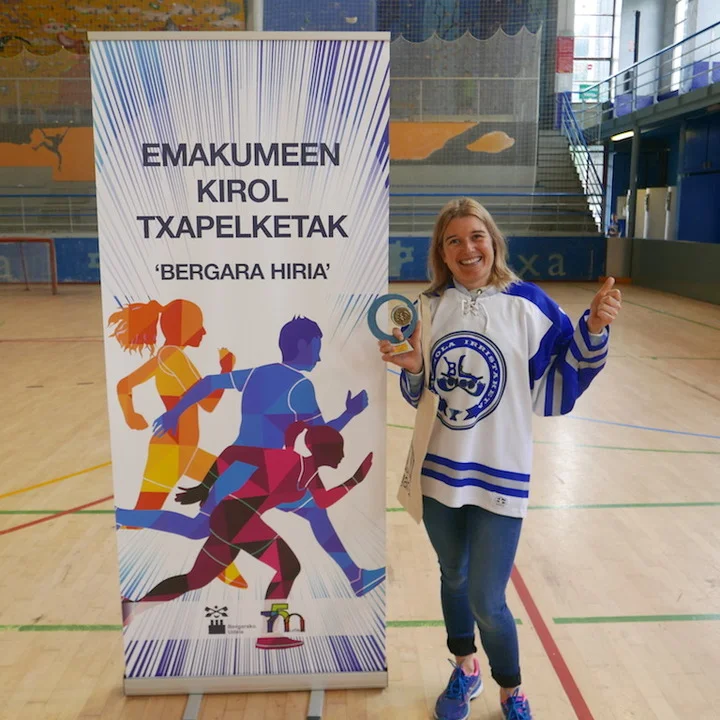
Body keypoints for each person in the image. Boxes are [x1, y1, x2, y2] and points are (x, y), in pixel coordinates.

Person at [378, 198, 622, 720]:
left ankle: (511, 690)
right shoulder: (427, 307)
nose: (467, 249)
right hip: (439, 470)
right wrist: (413, 367)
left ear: (493, 241)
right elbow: (420, 393)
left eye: (477, 236)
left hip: (500, 473)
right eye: (454, 241)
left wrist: (596, 327)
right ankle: (465, 668)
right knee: (453, 577)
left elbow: (565, 370)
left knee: (488, 598)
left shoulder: (528, 303)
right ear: (441, 253)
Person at [121, 315, 384, 597]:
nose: (319, 357)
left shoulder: (257, 374)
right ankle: (122, 515)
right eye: (316, 348)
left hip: (239, 469)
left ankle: (355, 576)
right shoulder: (300, 387)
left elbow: (209, 383)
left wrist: (175, 412)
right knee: (199, 529)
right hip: (263, 475)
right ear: (303, 345)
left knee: (313, 513)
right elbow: (322, 438)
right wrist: (350, 413)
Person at [122, 421, 373, 650]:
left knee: (195, 579)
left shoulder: (311, 476)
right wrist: (204, 487)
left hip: (235, 520)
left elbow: (323, 501)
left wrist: (356, 478)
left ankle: (132, 607)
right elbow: (232, 453)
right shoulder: (288, 460)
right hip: (237, 515)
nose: (343, 455)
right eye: (339, 449)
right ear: (321, 450)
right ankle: (269, 634)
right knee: (288, 568)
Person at [109, 299, 234, 511]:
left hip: (183, 448)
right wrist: (226, 368)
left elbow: (124, 385)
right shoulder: (174, 357)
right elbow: (209, 403)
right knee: (144, 513)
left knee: (234, 480)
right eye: (199, 325)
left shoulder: (165, 354)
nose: (204, 332)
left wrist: (131, 415)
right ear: (186, 328)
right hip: (172, 448)